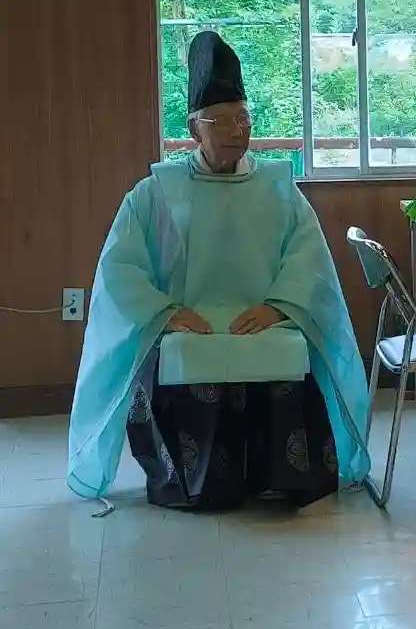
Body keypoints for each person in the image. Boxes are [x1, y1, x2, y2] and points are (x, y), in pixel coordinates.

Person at [67, 31, 370, 509]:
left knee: (283, 360)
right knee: (187, 364)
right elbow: (120, 269)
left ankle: (280, 480)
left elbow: (308, 257)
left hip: (265, 319)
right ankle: (198, 484)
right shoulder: (156, 193)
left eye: (243, 118)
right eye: (223, 121)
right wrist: (165, 313)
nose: (237, 130)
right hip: (187, 323)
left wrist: (279, 306)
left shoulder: (279, 188)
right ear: (195, 129)